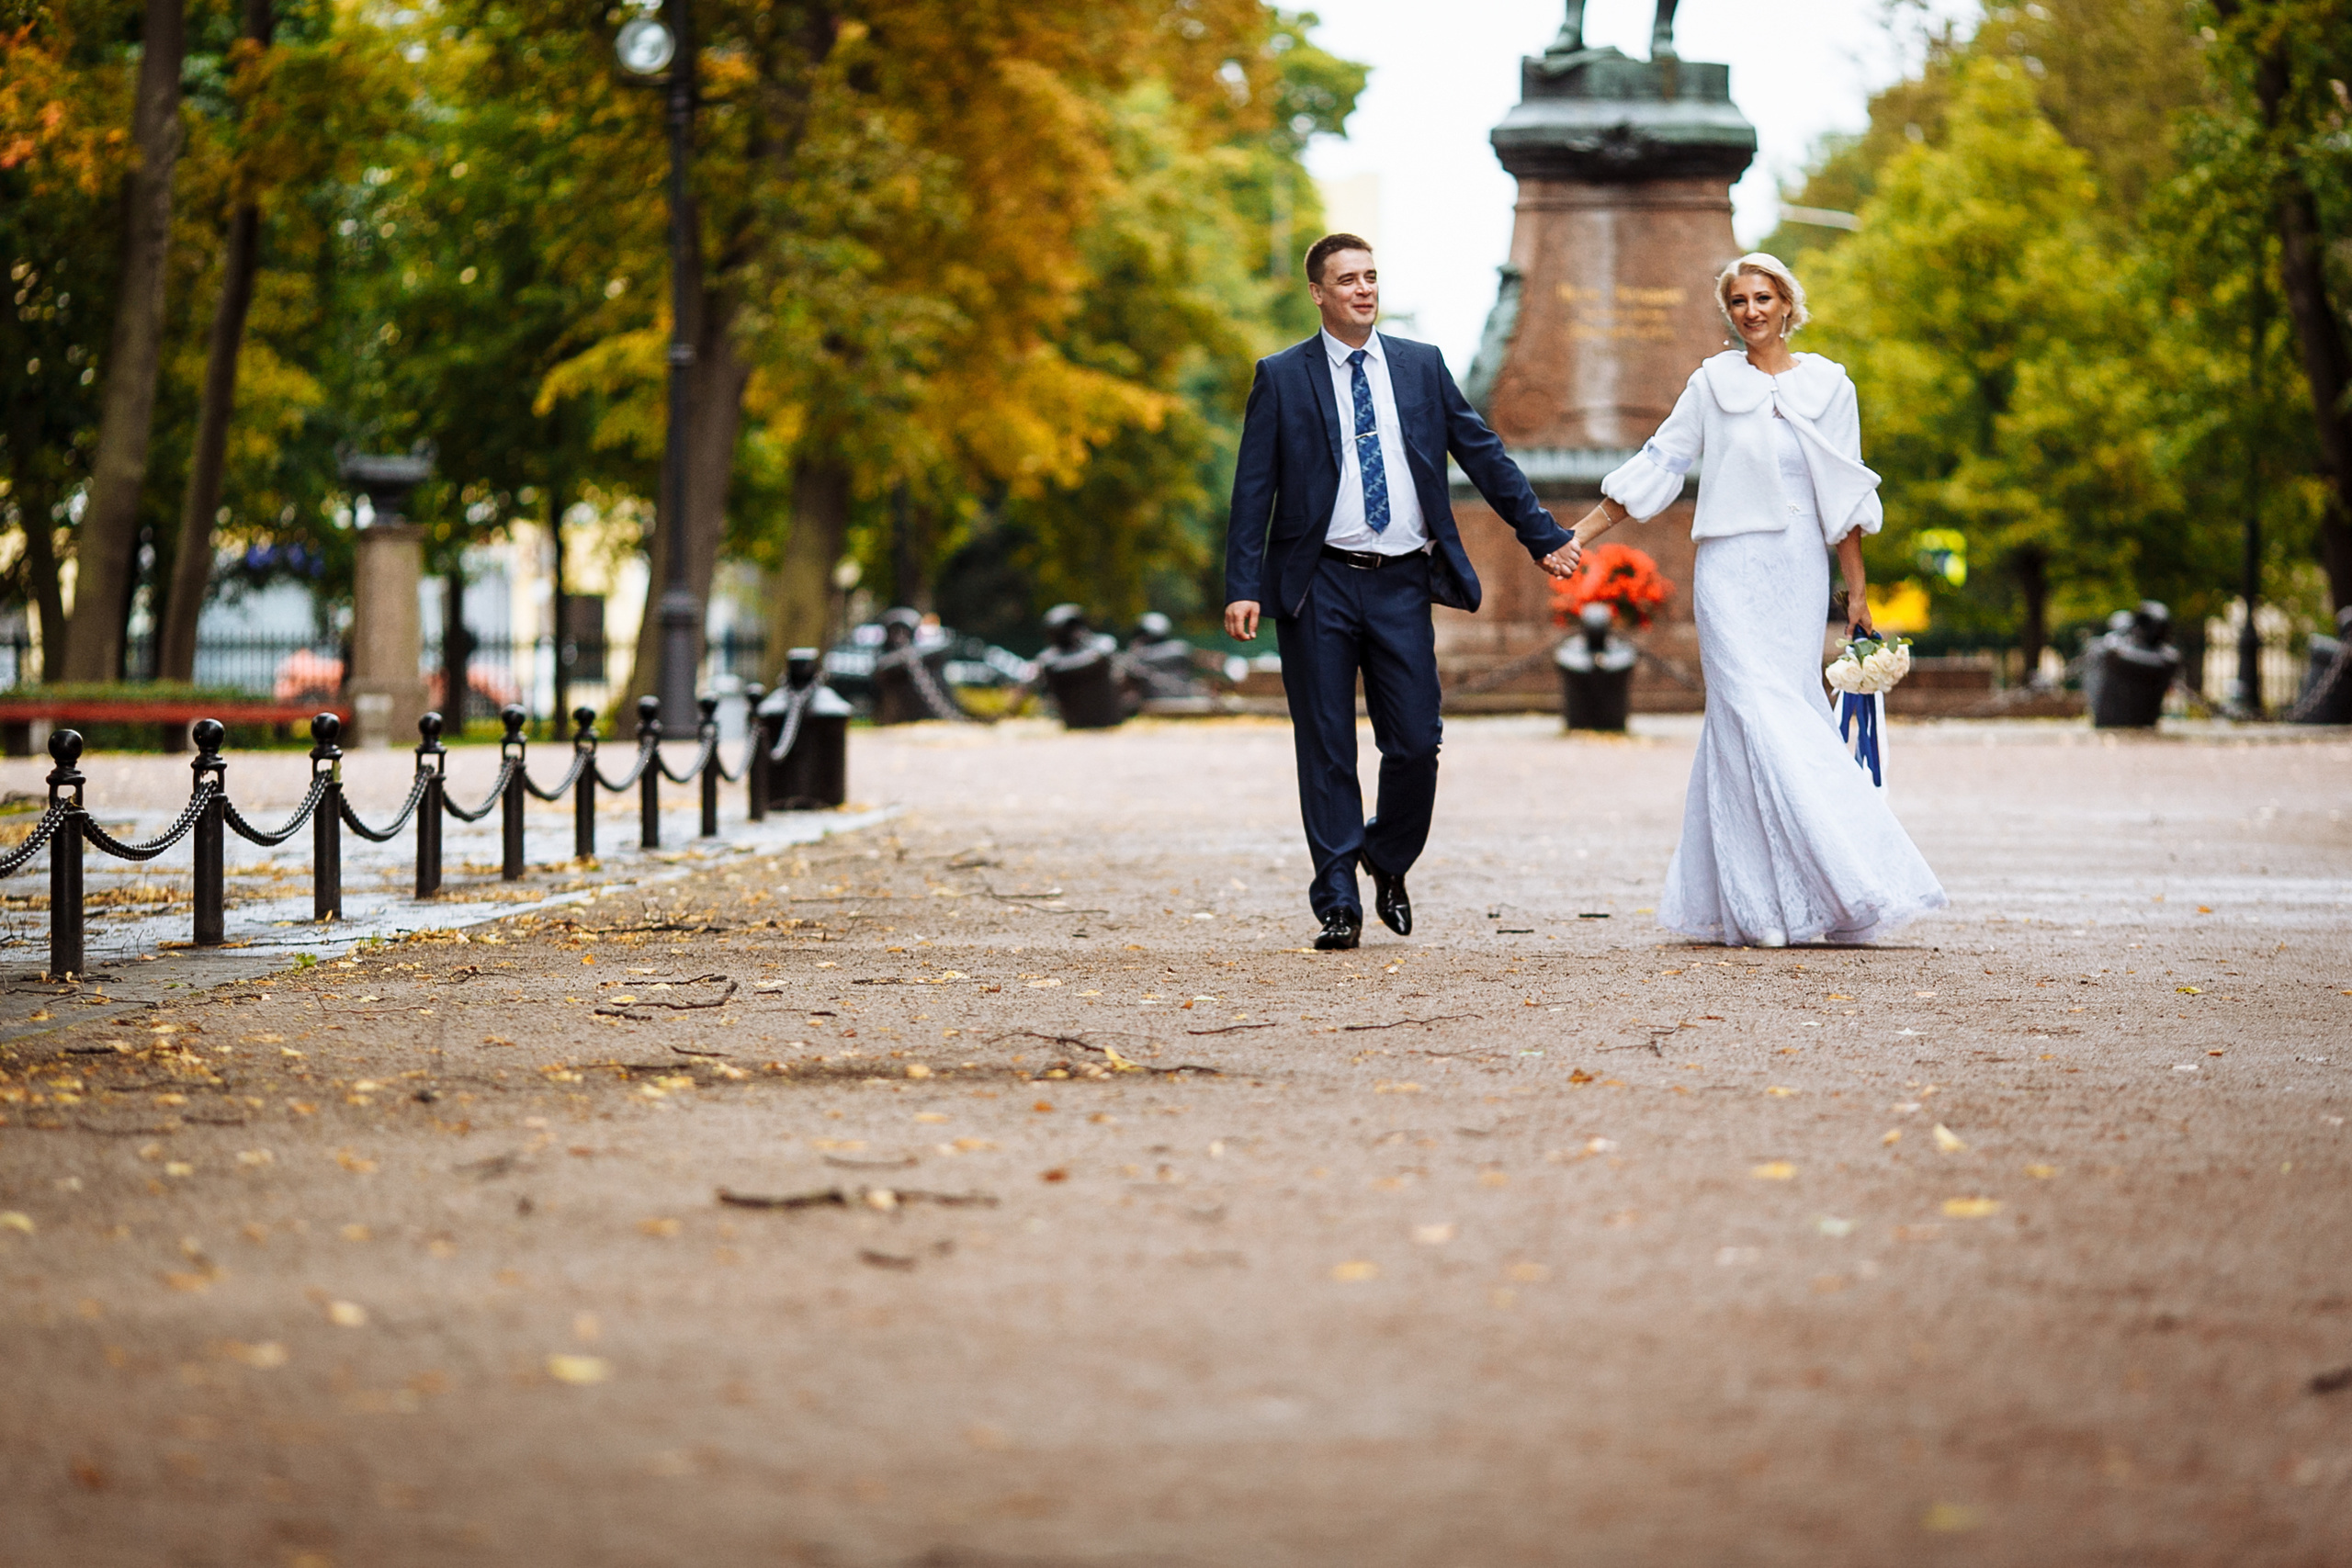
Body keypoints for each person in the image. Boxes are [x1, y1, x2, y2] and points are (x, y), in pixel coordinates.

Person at [1567, 252, 1945, 947]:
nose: (1752, 310)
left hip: (1797, 571)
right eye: (1739, 300)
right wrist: (1580, 535)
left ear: (1787, 304)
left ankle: (1831, 887)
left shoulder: (1831, 387)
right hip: (1729, 571)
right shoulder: (1712, 383)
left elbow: (1845, 496)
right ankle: (1759, 909)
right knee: (1747, 715)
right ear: (1729, 311)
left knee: (1787, 713)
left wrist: (1856, 591)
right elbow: (1660, 461)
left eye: (1763, 297)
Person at [1224, 233, 1578, 951]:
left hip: (1401, 582)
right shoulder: (1283, 376)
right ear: (1319, 294)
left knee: (1416, 743)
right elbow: (1253, 486)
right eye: (1347, 280)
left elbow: (1482, 452)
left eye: (1371, 277)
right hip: (1316, 581)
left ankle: (1385, 857)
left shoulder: (1421, 367)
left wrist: (1542, 535)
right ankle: (1337, 902)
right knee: (1325, 745)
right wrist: (1243, 583)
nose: (1363, 289)